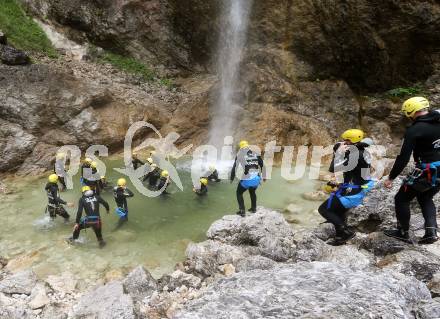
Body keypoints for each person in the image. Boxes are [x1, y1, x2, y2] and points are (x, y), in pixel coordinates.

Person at [384, 97, 440, 244]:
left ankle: (402, 232)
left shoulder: (414, 130)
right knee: (425, 197)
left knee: (401, 199)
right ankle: (431, 232)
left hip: (427, 171)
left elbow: (403, 158)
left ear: (410, 112)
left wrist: (391, 177)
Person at [318, 129, 375, 246]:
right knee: (335, 205)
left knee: (323, 209)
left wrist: (338, 153)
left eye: (346, 141)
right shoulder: (362, 151)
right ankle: (337, 223)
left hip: (355, 191)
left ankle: (345, 232)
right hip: (361, 185)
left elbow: (334, 169)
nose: (344, 143)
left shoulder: (355, 155)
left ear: (352, 141)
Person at [230, 140, 265, 217]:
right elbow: (262, 165)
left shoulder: (239, 155)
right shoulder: (256, 154)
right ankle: (253, 208)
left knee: (239, 193)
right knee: (252, 192)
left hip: (247, 178)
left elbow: (234, 168)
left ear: (241, 148)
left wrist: (232, 178)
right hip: (256, 179)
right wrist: (265, 176)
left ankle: (242, 210)